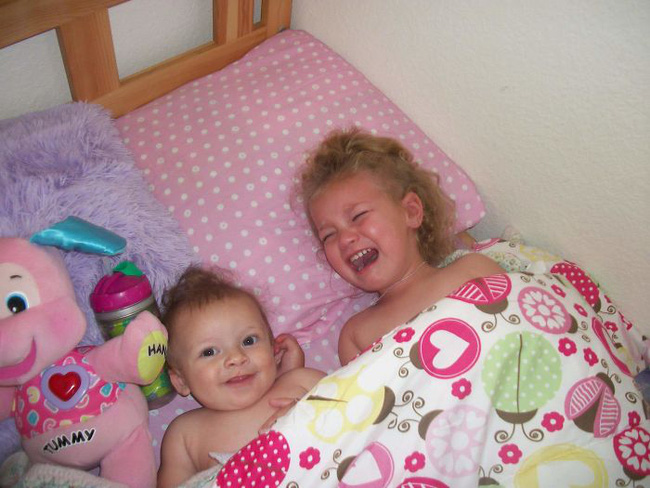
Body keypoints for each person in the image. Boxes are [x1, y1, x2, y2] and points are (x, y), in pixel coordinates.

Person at [300, 127, 504, 366]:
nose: (345, 239)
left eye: (358, 216)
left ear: (411, 211)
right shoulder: (356, 335)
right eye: (329, 235)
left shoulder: (472, 270)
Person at [157, 266, 325, 488]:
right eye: (209, 352)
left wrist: (310, 410)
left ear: (273, 349)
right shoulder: (184, 433)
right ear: (181, 381)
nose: (236, 358)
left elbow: (359, 413)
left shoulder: (303, 382)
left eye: (249, 341)